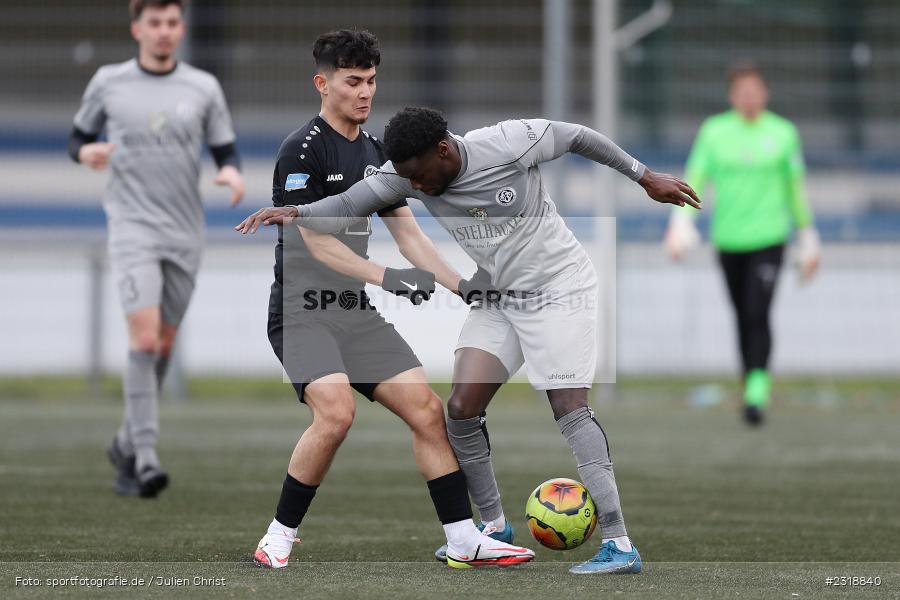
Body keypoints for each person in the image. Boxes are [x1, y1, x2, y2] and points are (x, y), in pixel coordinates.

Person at [237, 106, 700, 574]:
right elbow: (346, 203)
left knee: (568, 406)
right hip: (498, 294)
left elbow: (577, 135)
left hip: (560, 290)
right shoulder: (407, 172)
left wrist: (644, 176)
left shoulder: (508, 141)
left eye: (419, 177)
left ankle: (620, 543)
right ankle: (493, 528)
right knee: (459, 409)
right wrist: (295, 210)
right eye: (407, 180)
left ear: (442, 150)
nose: (414, 188)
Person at [240, 30, 533, 570]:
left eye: (372, 81)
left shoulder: (380, 153)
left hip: (355, 313)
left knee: (427, 412)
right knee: (336, 413)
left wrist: (464, 287)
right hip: (304, 313)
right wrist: (389, 278)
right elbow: (315, 240)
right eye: (353, 81)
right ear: (322, 84)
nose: (364, 92)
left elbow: (410, 236)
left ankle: (464, 538)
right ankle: (277, 537)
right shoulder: (299, 151)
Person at [68, 0, 245, 498]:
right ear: (137, 28)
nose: (164, 32)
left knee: (163, 344)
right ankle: (144, 456)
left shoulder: (203, 87)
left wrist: (230, 171)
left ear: (180, 28)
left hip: (185, 232)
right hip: (131, 228)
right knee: (144, 339)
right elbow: (76, 137)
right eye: (155, 23)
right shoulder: (109, 82)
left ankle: (124, 441)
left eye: (172, 23)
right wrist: (88, 152)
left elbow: (224, 147)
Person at [665, 61, 820, 425]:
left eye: (755, 90)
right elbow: (696, 177)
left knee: (757, 311)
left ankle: (756, 393)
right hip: (728, 240)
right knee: (740, 315)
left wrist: (808, 237)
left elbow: (795, 190)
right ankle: (750, 380)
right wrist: (681, 224)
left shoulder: (783, 134)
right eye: (742, 91)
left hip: (769, 238)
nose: (749, 97)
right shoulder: (715, 132)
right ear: (732, 95)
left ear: (765, 92)